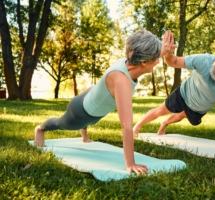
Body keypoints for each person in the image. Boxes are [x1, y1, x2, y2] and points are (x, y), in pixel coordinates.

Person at [34, 30, 175, 174]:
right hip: (80, 112)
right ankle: (40, 129)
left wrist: (162, 51)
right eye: (156, 58)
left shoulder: (130, 60)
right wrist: (131, 163)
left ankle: (84, 133)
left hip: (92, 96)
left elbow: (146, 56)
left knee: (93, 117)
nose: (158, 61)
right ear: (143, 62)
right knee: (60, 123)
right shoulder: (121, 81)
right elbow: (126, 126)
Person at [133, 31, 215, 153]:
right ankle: (137, 127)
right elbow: (173, 61)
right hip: (183, 94)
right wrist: (169, 53)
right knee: (161, 110)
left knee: (181, 115)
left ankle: (165, 123)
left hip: (198, 109)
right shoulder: (204, 60)